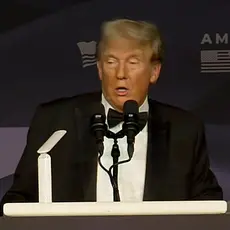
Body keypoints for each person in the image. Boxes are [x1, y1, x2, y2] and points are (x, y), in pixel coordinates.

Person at [0, 19, 223, 216]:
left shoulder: (184, 130)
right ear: (99, 69)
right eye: (111, 61)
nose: (121, 73)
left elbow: (209, 205)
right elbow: (18, 200)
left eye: (133, 62)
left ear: (154, 71)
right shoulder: (56, 121)